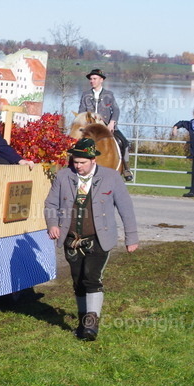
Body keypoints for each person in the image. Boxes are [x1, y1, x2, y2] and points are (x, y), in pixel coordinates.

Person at [45, 137, 138, 342]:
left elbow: (126, 208)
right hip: (71, 239)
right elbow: (51, 203)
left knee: (91, 277)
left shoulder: (112, 177)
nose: (77, 166)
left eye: (82, 163)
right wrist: (52, 224)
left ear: (93, 160)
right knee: (78, 281)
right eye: (75, 162)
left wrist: (131, 237)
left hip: (99, 238)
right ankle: (81, 322)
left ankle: (91, 324)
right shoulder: (63, 177)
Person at [78, 68, 131, 179]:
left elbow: (116, 110)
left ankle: (126, 169)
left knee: (124, 142)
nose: (92, 81)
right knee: (75, 144)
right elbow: (81, 112)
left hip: (107, 127)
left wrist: (112, 123)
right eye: (91, 79)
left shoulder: (109, 94)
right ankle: (73, 167)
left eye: (95, 79)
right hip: (90, 128)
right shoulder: (85, 94)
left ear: (101, 80)